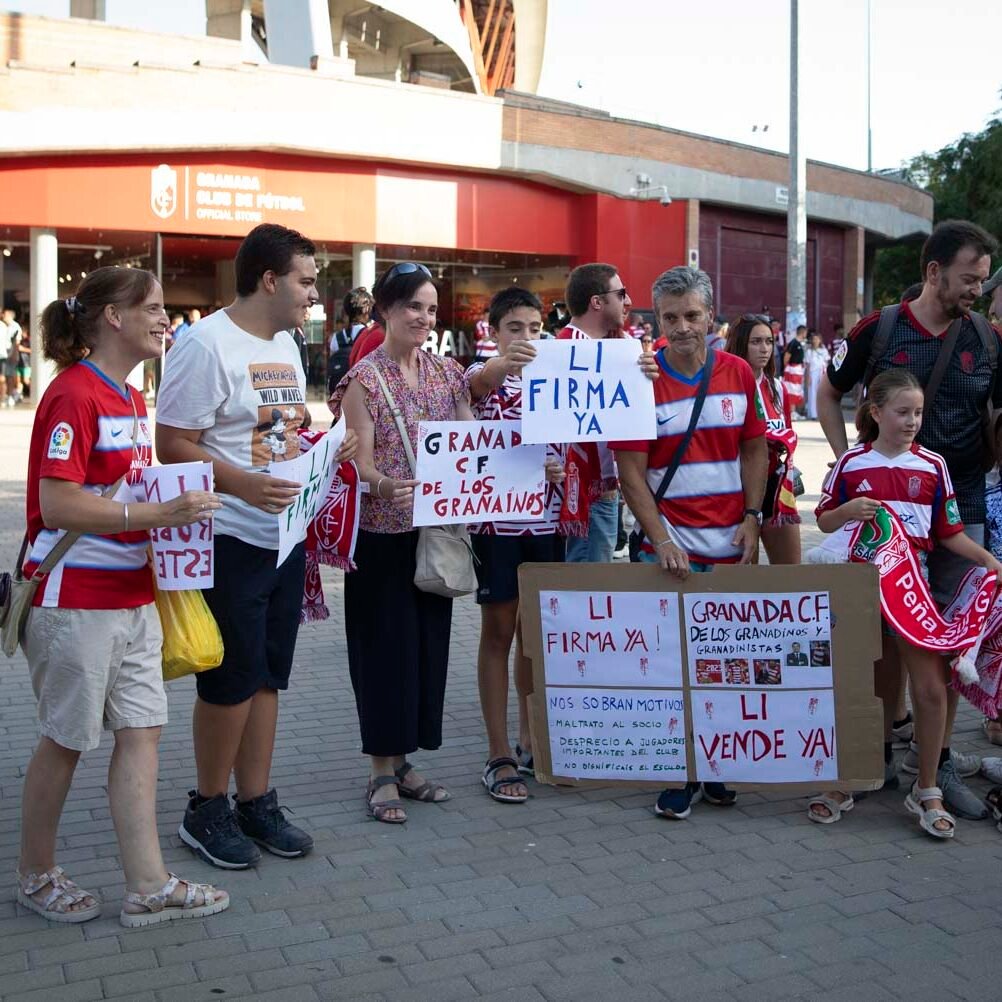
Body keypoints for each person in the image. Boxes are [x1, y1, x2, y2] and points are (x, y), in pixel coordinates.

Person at [17, 267, 230, 926]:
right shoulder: (74, 395)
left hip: (134, 597)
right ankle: (35, 874)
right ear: (113, 316)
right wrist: (155, 519)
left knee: (143, 732)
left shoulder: (133, 398)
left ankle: (149, 885)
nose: (168, 319)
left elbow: (128, 487)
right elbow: (57, 501)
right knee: (67, 739)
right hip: (74, 598)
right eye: (156, 307)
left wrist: (176, 502)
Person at [156, 224, 357, 869]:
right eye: (305, 280)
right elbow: (172, 442)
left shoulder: (289, 345)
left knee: (270, 674)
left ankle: (255, 801)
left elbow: (282, 429)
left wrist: (323, 446)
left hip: (282, 535)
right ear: (269, 279)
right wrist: (243, 484)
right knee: (230, 680)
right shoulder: (205, 344)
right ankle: (205, 807)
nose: (313, 294)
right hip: (228, 538)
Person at [818, 219, 1001, 822]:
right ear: (933, 271)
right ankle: (888, 750)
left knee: (943, 646)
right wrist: (852, 457)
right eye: (968, 278)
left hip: (959, 509)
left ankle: (939, 764)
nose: (976, 289)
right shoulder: (881, 328)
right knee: (885, 645)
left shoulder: (986, 337)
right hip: (885, 527)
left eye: (982, 280)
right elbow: (828, 389)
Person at [613, 265, 767, 820]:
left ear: (711, 317)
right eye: (670, 317)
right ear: (657, 318)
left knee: (725, 662)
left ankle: (717, 763)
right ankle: (680, 770)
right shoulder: (639, 378)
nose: (681, 328)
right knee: (675, 668)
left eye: (692, 316)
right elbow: (630, 474)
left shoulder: (738, 373)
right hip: (671, 551)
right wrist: (661, 539)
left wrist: (753, 517)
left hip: (731, 547)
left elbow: (756, 451)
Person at [329, 262, 473, 824]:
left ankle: (406, 763)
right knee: (382, 653)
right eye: (414, 306)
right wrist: (387, 484)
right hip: (380, 538)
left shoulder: (448, 374)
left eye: (432, 308)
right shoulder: (363, 379)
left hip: (433, 534)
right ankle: (380, 773)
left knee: (425, 653)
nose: (424, 318)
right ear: (385, 309)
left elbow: (473, 443)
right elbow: (358, 463)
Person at [466, 288, 567, 802]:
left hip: (547, 527)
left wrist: (558, 469)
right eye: (514, 328)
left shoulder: (561, 382)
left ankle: (531, 739)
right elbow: (480, 385)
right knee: (499, 633)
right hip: (496, 530)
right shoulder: (481, 379)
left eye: (534, 328)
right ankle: (498, 750)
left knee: (534, 636)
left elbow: (575, 449)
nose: (526, 338)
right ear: (493, 331)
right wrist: (504, 365)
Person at [557, 263, 658, 563]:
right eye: (621, 293)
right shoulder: (563, 350)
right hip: (583, 492)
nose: (628, 301)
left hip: (610, 487)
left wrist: (650, 377)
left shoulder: (623, 345)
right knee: (586, 585)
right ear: (597, 302)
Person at [725, 315, 801, 565]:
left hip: (774, 487)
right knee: (749, 580)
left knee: (792, 574)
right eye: (756, 342)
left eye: (769, 341)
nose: (765, 348)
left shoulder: (777, 388)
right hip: (738, 489)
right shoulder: (726, 387)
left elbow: (787, 433)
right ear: (740, 345)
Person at [328, 287, 374, 395]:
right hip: (363, 391)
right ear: (366, 310)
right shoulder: (370, 335)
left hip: (341, 391)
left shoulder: (336, 337)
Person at [803, 330, 830, 420]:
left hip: (822, 372)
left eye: (817, 339)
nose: (815, 341)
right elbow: (807, 366)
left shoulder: (824, 350)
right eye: (814, 339)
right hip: (812, 373)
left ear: (820, 340)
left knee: (822, 393)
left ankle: (823, 413)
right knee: (812, 393)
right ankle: (813, 413)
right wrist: (807, 377)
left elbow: (827, 362)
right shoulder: (809, 352)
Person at [782, 324, 807, 417]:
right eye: (805, 332)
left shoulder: (800, 343)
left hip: (798, 370)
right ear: (803, 332)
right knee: (791, 390)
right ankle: (791, 412)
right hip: (792, 370)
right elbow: (787, 356)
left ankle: (794, 411)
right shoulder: (793, 343)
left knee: (797, 390)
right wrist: (787, 369)